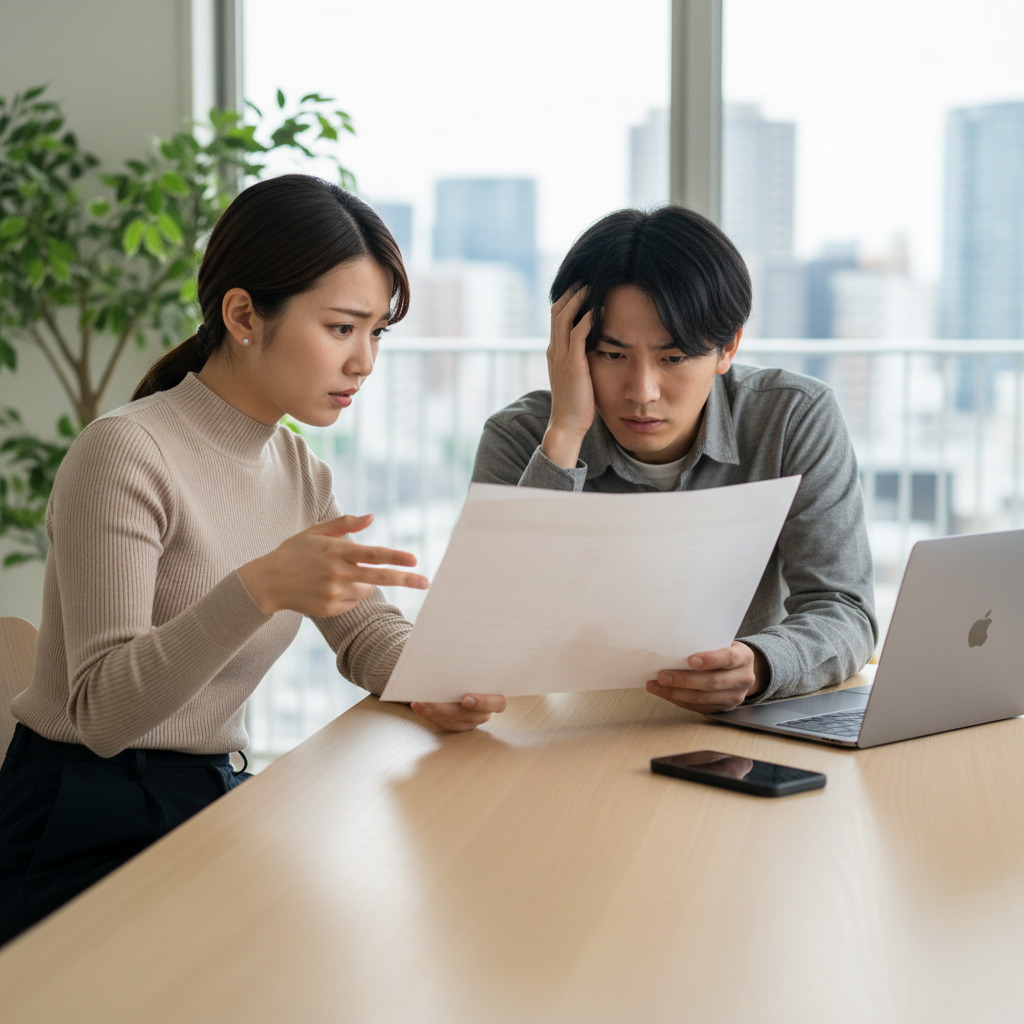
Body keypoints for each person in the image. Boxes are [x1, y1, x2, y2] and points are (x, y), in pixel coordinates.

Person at [0, 174, 505, 947]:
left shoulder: (299, 471)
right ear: (242, 314)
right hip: (83, 818)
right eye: (342, 328)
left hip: (206, 793)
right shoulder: (125, 452)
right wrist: (259, 588)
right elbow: (101, 714)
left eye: (377, 333)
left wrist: (435, 680)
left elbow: (367, 634)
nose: (364, 362)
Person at [472, 205, 877, 714]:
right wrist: (565, 434)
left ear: (727, 348)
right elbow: (487, 631)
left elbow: (843, 608)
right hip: (562, 727)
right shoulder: (521, 437)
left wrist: (761, 663)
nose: (642, 393)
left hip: (731, 725)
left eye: (674, 358)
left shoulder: (791, 418)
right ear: (567, 348)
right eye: (612, 355)